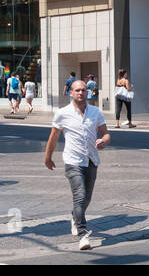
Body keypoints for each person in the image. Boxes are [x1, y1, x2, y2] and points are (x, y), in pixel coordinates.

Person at [44, 78, 110, 250]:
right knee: (79, 196)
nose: (81, 93)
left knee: (86, 198)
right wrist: (48, 157)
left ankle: (75, 217)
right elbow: (53, 137)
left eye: (83, 90)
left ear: (87, 92)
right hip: (73, 161)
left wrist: (103, 140)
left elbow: (106, 134)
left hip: (92, 161)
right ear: (70, 93)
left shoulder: (95, 112)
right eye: (77, 90)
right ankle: (83, 235)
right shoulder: (62, 113)